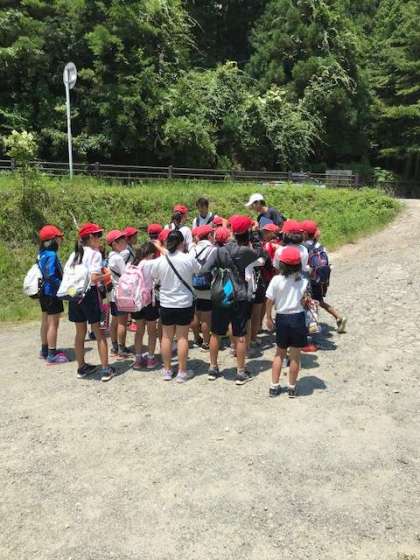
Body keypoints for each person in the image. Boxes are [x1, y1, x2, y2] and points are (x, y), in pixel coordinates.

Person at [201, 215, 262, 385]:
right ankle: (240, 372)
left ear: (232, 231)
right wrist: (256, 235)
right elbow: (260, 254)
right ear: (247, 233)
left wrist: (218, 274)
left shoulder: (219, 251)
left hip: (222, 295)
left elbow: (205, 269)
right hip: (240, 296)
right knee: (240, 334)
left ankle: (213, 368)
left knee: (216, 333)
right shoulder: (246, 252)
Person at [64, 223, 114, 382]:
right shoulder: (95, 254)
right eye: (98, 235)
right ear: (91, 237)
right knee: (98, 332)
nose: (100, 238)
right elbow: (93, 278)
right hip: (89, 295)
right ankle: (105, 369)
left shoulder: (74, 254)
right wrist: (108, 275)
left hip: (74, 295)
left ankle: (81, 367)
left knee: (80, 333)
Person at [151, 230, 200, 382]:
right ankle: (182, 372)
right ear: (182, 242)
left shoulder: (160, 260)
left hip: (166, 302)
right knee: (182, 337)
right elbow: (198, 270)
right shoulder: (188, 258)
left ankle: (167, 370)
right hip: (184, 302)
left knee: (166, 337)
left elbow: (155, 277)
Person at [265, 246, 309, 398]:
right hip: (298, 317)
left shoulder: (276, 280)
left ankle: (274, 386)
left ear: (281, 264)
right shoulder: (303, 281)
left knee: (279, 353)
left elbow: (269, 301)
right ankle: (291, 387)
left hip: (282, 318)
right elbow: (305, 302)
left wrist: (268, 317)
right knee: (295, 355)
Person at [301, 220, 347, 334]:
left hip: (309, 280)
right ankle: (339, 317)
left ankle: (311, 325)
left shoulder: (304, 247)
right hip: (320, 279)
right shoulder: (320, 246)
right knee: (319, 301)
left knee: (308, 302)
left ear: (305, 233)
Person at [37, 225, 69, 364]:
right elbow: (50, 275)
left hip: (43, 292)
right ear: (53, 240)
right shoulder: (52, 254)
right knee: (53, 323)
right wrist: (62, 286)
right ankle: (52, 354)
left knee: (45, 320)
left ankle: (45, 350)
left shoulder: (41, 254)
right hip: (51, 292)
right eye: (59, 237)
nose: (61, 240)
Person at [131, 242, 161, 370]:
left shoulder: (134, 264)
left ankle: (138, 360)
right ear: (152, 254)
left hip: (136, 301)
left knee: (139, 331)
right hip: (149, 301)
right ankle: (150, 359)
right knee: (152, 331)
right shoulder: (151, 263)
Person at [189, 224, 216, 351]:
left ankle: (196, 338)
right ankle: (206, 343)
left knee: (195, 312)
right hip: (208, 285)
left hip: (194, 284)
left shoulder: (192, 250)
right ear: (209, 235)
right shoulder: (213, 250)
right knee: (206, 316)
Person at [107, 229, 131, 358]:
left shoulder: (110, 257)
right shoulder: (118, 258)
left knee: (114, 320)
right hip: (120, 293)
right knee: (122, 322)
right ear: (114, 244)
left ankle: (114, 346)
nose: (125, 242)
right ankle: (122, 348)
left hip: (112, 294)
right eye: (122, 240)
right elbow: (125, 275)